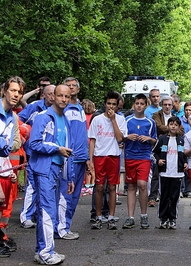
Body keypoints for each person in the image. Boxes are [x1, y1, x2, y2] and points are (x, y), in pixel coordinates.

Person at [29, 84, 74, 264]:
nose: (64, 99)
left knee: (46, 211)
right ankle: (46, 253)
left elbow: (67, 151)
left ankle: (42, 250)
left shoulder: (65, 119)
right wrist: (57, 149)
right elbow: (34, 143)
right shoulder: (43, 117)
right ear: (53, 96)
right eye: (60, 96)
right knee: (48, 212)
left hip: (57, 171)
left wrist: (69, 176)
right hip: (44, 170)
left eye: (67, 97)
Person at [55, 77, 90, 240]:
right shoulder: (64, 109)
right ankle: (60, 228)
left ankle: (66, 225)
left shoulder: (80, 108)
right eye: (67, 86)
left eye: (73, 86)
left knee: (75, 196)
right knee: (65, 194)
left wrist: (88, 158)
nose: (71, 88)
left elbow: (83, 134)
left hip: (81, 158)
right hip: (69, 159)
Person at [89, 91, 127, 230]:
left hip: (114, 156)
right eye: (109, 104)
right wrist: (90, 159)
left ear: (117, 106)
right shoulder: (97, 119)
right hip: (100, 156)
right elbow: (92, 140)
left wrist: (113, 120)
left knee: (112, 187)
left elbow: (120, 138)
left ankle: (111, 217)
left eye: (114, 104)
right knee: (99, 187)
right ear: (105, 104)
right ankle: (98, 216)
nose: (111, 107)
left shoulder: (120, 119)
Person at [19, 84, 55, 229]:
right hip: (33, 151)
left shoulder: (58, 110)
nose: (53, 97)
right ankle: (26, 216)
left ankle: (39, 214)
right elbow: (19, 119)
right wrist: (25, 134)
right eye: (51, 94)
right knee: (32, 185)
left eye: (55, 94)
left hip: (50, 153)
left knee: (47, 186)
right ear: (44, 95)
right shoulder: (34, 107)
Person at [122, 93, 157, 229]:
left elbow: (155, 140)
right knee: (131, 186)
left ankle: (144, 215)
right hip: (130, 156)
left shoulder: (150, 122)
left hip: (144, 156)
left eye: (142, 104)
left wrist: (148, 139)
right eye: (137, 103)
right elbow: (121, 137)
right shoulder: (127, 120)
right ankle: (130, 217)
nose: (139, 106)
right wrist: (127, 137)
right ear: (134, 104)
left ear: (145, 105)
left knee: (142, 184)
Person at [0, 76, 25, 257]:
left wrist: (6, 145)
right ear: (4, 91)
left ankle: (1, 238)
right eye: (13, 90)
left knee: (4, 205)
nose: (16, 94)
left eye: (19, 92)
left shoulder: (13, 117)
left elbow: (16, 142)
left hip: (4, 165)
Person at [153, 116, 187, 229]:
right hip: (165, 173)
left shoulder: (181, 140)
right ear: (168, 126)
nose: (173, 126)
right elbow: (154, 153)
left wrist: (185, 163)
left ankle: (172, 219)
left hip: (177, 173)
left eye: (176, 125)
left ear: (179, 127)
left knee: (174, 197)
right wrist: (158, 160)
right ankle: (163, 218)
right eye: (171, 124)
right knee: (164, 196)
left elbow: (184, 155)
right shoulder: (162, 139)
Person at [180, 101, 191, 198]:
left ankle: (188, 190)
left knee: (189, 168)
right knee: (182, 167)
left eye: (190, 110)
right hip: (182, 146)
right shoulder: (180, 120)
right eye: (186, 110)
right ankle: (181, 189)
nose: (188, 112)